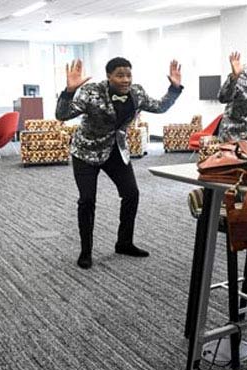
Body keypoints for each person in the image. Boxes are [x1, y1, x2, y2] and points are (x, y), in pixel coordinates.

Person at [56, 57, 183, 269]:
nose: (125, 80)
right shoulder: (92, 91)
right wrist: (69, 92)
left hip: (115, 149)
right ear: (109, 76)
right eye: (120, 75)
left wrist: (174, 88)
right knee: (87, 200)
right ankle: (86, 251)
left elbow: (159, 107)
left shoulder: (137, 92)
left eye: (128, 75)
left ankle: (124, 242)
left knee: (131, 194)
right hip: (86, 151)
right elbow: (62, 114)